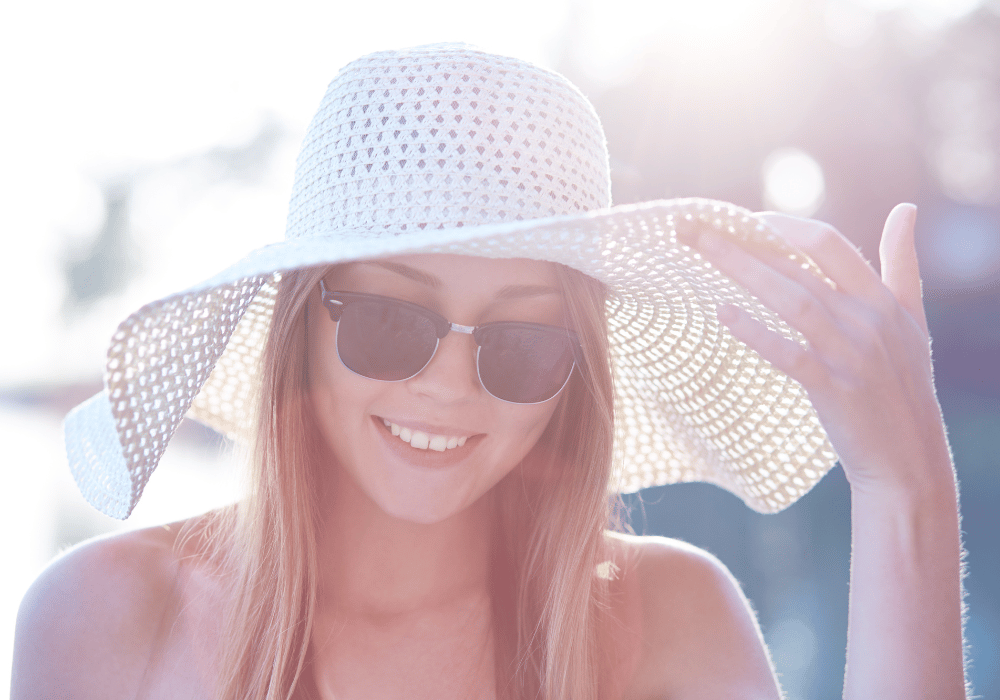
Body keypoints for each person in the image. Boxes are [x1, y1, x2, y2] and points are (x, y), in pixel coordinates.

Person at [12, 44, 966, 700]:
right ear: (300, 329)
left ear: (576, 373)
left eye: (523, 343)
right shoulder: (103, 617)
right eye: (392, 321)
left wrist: (905, 486)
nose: (451, 386)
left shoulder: (672, 616)